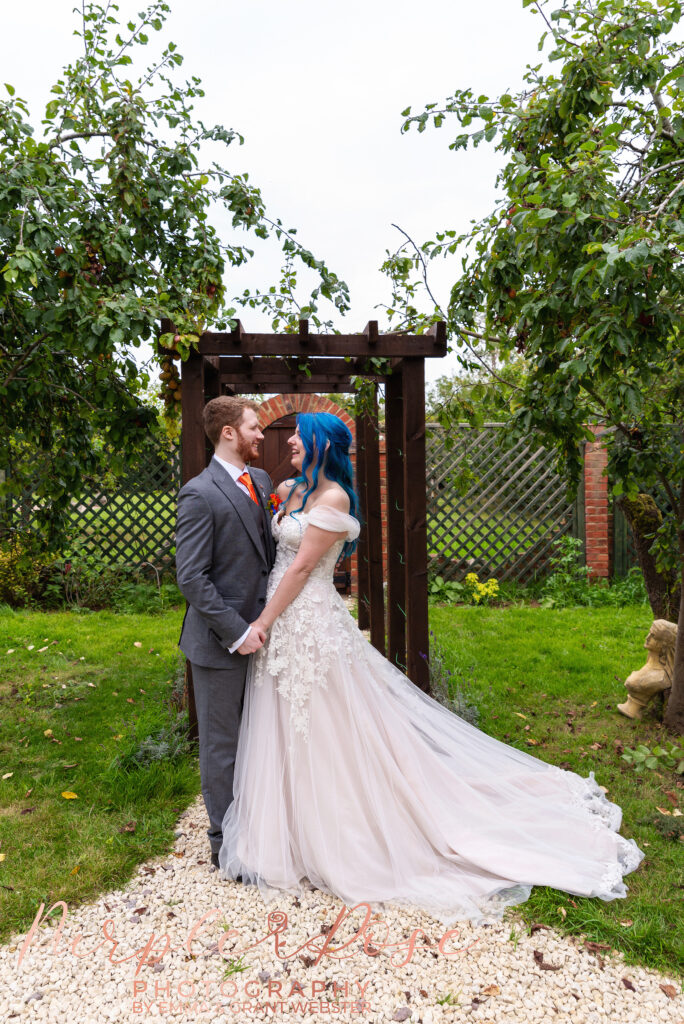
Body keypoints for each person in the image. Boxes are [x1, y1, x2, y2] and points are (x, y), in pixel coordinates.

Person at [218, 411, 644, 924]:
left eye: (297, 440)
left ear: (320, 445)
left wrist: (262, 620)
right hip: (284, 622)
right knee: (283, 718)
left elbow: (304, 566)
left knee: (325, 722)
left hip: (306, 619)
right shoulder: (287, 489)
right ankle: (283, 829)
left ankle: (342, 829)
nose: (287, 446)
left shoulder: (334, 499)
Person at [175, 396, 276, 869]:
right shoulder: (200, 493)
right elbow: (191, 577)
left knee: (261, 736)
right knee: (222, 744)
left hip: (266, 635)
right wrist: (238, 632)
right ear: (229, 433)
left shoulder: (261, 480)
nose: (261, 435)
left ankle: (260, 829)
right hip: (220, 643)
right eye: (254, 427)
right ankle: (226, 846)